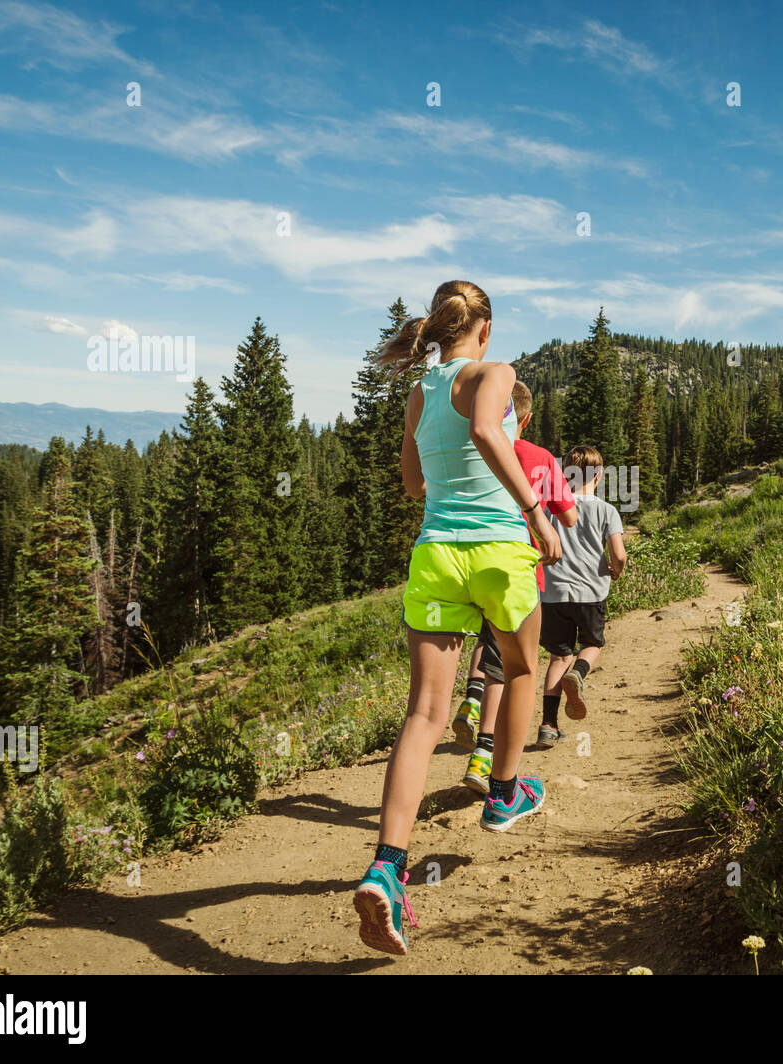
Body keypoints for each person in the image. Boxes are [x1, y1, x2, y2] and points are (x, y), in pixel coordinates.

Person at [353, 280, 561, 957]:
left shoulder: (419, 392)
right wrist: (535, 511)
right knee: (524, 666)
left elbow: (413, 483)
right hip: (500, 552)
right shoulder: (495, 374)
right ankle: (504, 792)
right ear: (486, 327)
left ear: (439, 328)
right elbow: (483, 428)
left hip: (436, 554)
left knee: (425, 714)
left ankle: (387, 866)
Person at [454, 380, 577, 793]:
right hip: (522, 571)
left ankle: (471, 703)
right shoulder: (541, 457)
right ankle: (487, 762)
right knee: (510, 667)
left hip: (471, 562)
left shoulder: (479, 450)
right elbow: (571, 516)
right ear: (525, 418)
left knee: (486, 650)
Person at [539, 445, 626, 738]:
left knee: (558, 657)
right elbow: (619, 553)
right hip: (591, 591)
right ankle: (579, 673)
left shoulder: (552, 508)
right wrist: (616, 569)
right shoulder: (607, 510)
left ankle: (548, 726)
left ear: (566, 474)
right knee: (592, 644)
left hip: (552, 592)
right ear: (599, 475)